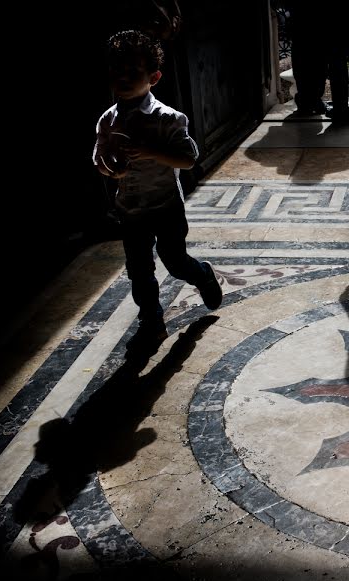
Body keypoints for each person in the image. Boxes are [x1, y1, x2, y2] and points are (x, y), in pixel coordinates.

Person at [93, 30, 222, 354]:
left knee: (175, 261)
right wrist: (112, 169)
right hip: (131, 208)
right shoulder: (107, 120)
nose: (123, 78)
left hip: (165, 206)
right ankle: (152, 320)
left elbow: (189, 158)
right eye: (117, 71)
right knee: (139, 270)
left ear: (154, 77)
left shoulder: (169, 119)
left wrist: (152, 152)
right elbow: (99, 159)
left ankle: (203, 274)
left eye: (132, 72)